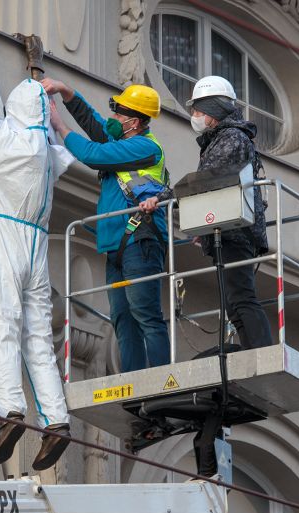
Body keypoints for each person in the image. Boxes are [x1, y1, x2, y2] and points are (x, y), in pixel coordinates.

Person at [0, 7, 75, 471]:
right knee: (37, 339)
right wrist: (36, 65)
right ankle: (57, 420)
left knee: (0, 321)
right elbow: (44, 119)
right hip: (36, 246)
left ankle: (10, 410)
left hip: (1, 232)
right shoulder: (47, 154)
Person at [42, 77, 171, 373]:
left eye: (120, 114)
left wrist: (59, 125)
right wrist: (66, 90)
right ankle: (134, 384)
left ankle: (163, 381)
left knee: (144, 314)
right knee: (123, 319)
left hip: (141, 241)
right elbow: (94, 123)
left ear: (135, 122)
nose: (114, 118)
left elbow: (93, 155)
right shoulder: (125, 142)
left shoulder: (143, 147)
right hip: (119, 246)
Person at [141, 75, 272, 352]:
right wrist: (204, 229)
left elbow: (207, 181)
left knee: (241, 296)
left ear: (214, 111)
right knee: (233, 302)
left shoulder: (231, 138)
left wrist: (163, 198)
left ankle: (261, 354)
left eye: (198, 111)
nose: (195, 116)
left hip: (236, 232)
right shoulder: (224, 138)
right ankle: (254, 352)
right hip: (228, 231)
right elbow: (216, 187)